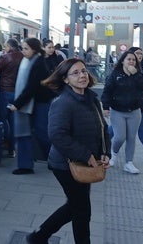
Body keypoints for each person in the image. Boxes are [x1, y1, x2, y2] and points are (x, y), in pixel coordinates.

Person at [27, 58, 110, 244]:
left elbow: (103, 129)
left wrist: (105, 153)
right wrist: (85, 154)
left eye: (83, 71)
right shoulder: (62, 103)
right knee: (82, 210)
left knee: (74, 207)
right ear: (65, 79)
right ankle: (39, 237)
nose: (82, 75)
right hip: (65, 165)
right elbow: (57, 135)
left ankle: (38, 236)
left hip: (86, 164)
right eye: (75, 73)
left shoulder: (92, 99)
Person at [7, 38, 56, 174]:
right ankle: (25, 165)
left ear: (34, 49)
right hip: (32, 102)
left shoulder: (39, 63)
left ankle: (57, 159)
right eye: (22, 48)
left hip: (41, 102)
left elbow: (32, 86)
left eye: (26, 48)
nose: (23, 51)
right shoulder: (27, 61)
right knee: (24, 134)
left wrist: (17, 104)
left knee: (42, 134)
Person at [101, 50, 143, 174]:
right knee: (120, 137)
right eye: (129, 59)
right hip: (118, 111)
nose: (131, 61)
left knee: (131, 137)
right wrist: (105, 107)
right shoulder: (115, 74)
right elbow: (107, 91)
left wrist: (136, 75)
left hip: (134, 111)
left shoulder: (138, 74)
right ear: (123, 61)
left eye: (133, 60)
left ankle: (129, 162)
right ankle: (113, 153)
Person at [0, 38, 24, 157]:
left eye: (5, 46)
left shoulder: (6, 57)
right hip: (17, 93)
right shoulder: (23, 57)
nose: (4, 49)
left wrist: (1, 57)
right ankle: (12, 148)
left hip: (5, 92)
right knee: (13, 120)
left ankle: (2, 143)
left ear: (10, 47)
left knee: (2, 119)